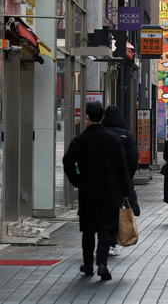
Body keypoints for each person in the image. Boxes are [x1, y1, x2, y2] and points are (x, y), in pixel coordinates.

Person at [63, 102, 130, 281]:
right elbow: (122, 168)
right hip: (109, 190)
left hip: (88, 191)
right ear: (102, 117)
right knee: (106, 227)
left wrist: (77, 181)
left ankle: (88, 264)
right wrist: (125, 190)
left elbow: (67, 161)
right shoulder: (113, 139)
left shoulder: (80, 140)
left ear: (87, 117)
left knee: (88, 229)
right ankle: (102, 263)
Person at [102, 105, 140, 257]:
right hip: (120, 180)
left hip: (103, 181)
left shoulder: (101, 133)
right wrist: (127, 176)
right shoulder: (126, 135)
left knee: (105, 213)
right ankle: (112, 243)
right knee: (118, 211)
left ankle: (108, 242)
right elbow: (133, 158)